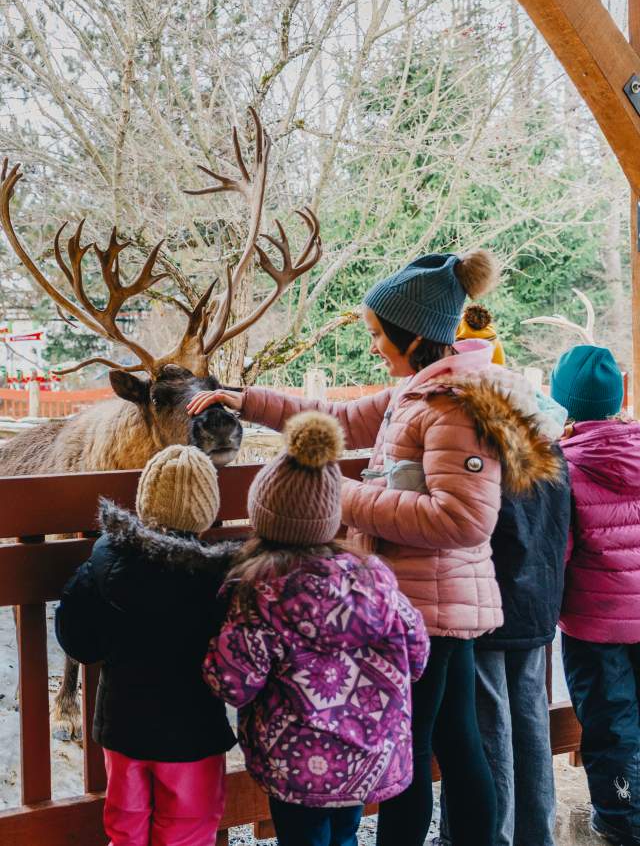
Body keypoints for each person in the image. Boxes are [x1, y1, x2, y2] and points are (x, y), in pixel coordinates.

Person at [189, 250, 562, 846]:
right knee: (455, 742)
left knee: (412, 749)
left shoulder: (455, 407)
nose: (372, 346)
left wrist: (342, 493)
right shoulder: (414, 393)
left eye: (377, 335)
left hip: (429, 606)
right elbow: (334, 415)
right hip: (422, 599)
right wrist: (245, 399)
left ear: (413, 337)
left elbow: (463, 519)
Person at [203, 411, 428, 846]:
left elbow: (233, 683)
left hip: (296, 764)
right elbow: (416, 655)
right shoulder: (375, 578)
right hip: (366, 754)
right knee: (345, 835)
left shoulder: (261, 592)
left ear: (265, 518)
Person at [55, 444, 237, 846]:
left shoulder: (104, 562)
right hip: (194, 735)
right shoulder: (219, 580)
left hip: (124, 729)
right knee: (188, 830)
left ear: (144, 501)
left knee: (126, 828)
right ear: (206, 511)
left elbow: (78, 641)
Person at [439, 389, 571, 846]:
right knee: (531, 718)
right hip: (537, 605)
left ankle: (489, 835)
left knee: (485, 724)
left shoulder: (478, 452)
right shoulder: (551, 447)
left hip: (488, 606)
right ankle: (537, 833)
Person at [550, 344, 640, 846]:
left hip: (595, 623)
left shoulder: (565, 466)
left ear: (561, 403)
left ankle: (622, 818)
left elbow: (558, 552)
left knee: (610, 725)